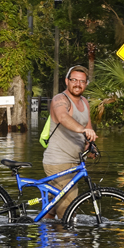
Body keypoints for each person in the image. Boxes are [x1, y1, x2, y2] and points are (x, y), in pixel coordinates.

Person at [41, 65, 98, 220]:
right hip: (58, 162)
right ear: (67, 81)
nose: (77, 84)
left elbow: (88, 127)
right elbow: (63, 117)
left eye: (82, 81)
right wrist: (82, 130)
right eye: (74, 80)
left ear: (86, 84)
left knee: (51, 210)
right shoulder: (60, 99)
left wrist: (90, 145)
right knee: (69, 212)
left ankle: (45, 239)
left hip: (75, 163)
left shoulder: (85, 102)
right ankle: (66, 243)